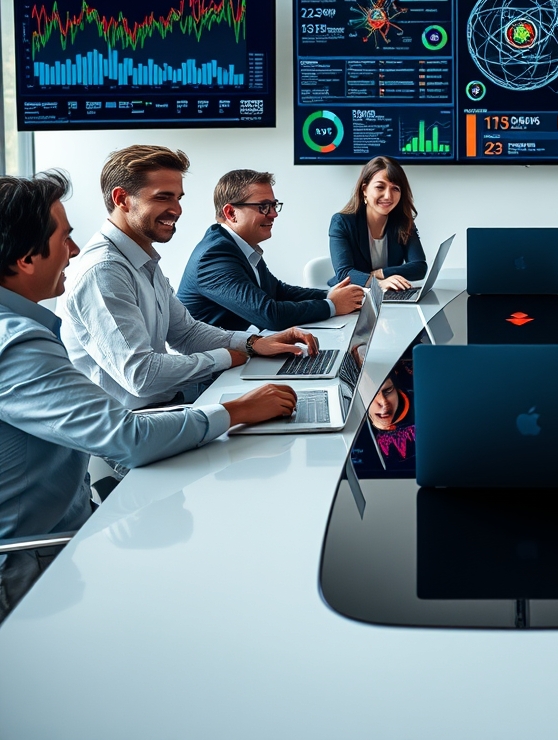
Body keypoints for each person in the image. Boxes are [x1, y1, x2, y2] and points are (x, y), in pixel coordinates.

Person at [0, 171, 297, 622]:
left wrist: (249, 345)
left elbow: (185, 330)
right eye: (65, 238)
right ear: (25, 258)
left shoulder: (139, 264)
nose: (74, 251)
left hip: (75, 514)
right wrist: (236, 409)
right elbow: (131, 421)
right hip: (36, 558)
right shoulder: (20, 341)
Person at [59, 145, 318, 411]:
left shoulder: (142, 258)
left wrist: (253, 344)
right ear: (122, 199)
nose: (177, 209)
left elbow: (186, 333)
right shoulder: (104, 271)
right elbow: (142, 375)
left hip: (167, 406)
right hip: (136, 423)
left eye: (178, 198)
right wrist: (227, 357)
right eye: (163, 198)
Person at [178, 169, 364, 331]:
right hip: (214, 366)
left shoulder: (239, 245)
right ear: (231, 213)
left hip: (243, 348)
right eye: (264, 207)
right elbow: (270, 314)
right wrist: (331, 305)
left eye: (274, 205)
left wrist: (328, 295)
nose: (274, 214)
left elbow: (277, 291)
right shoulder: (214, 257)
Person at [328, 156, 427, 292]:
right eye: (380, 187)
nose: (388, 196)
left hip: (388, 297)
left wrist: (380, 273)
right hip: (352, 295)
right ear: (364, 190)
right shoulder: (342, 222)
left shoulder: (403, 221)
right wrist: (378, 283)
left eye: (395, 189)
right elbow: (345, 273)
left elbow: (419, 267)